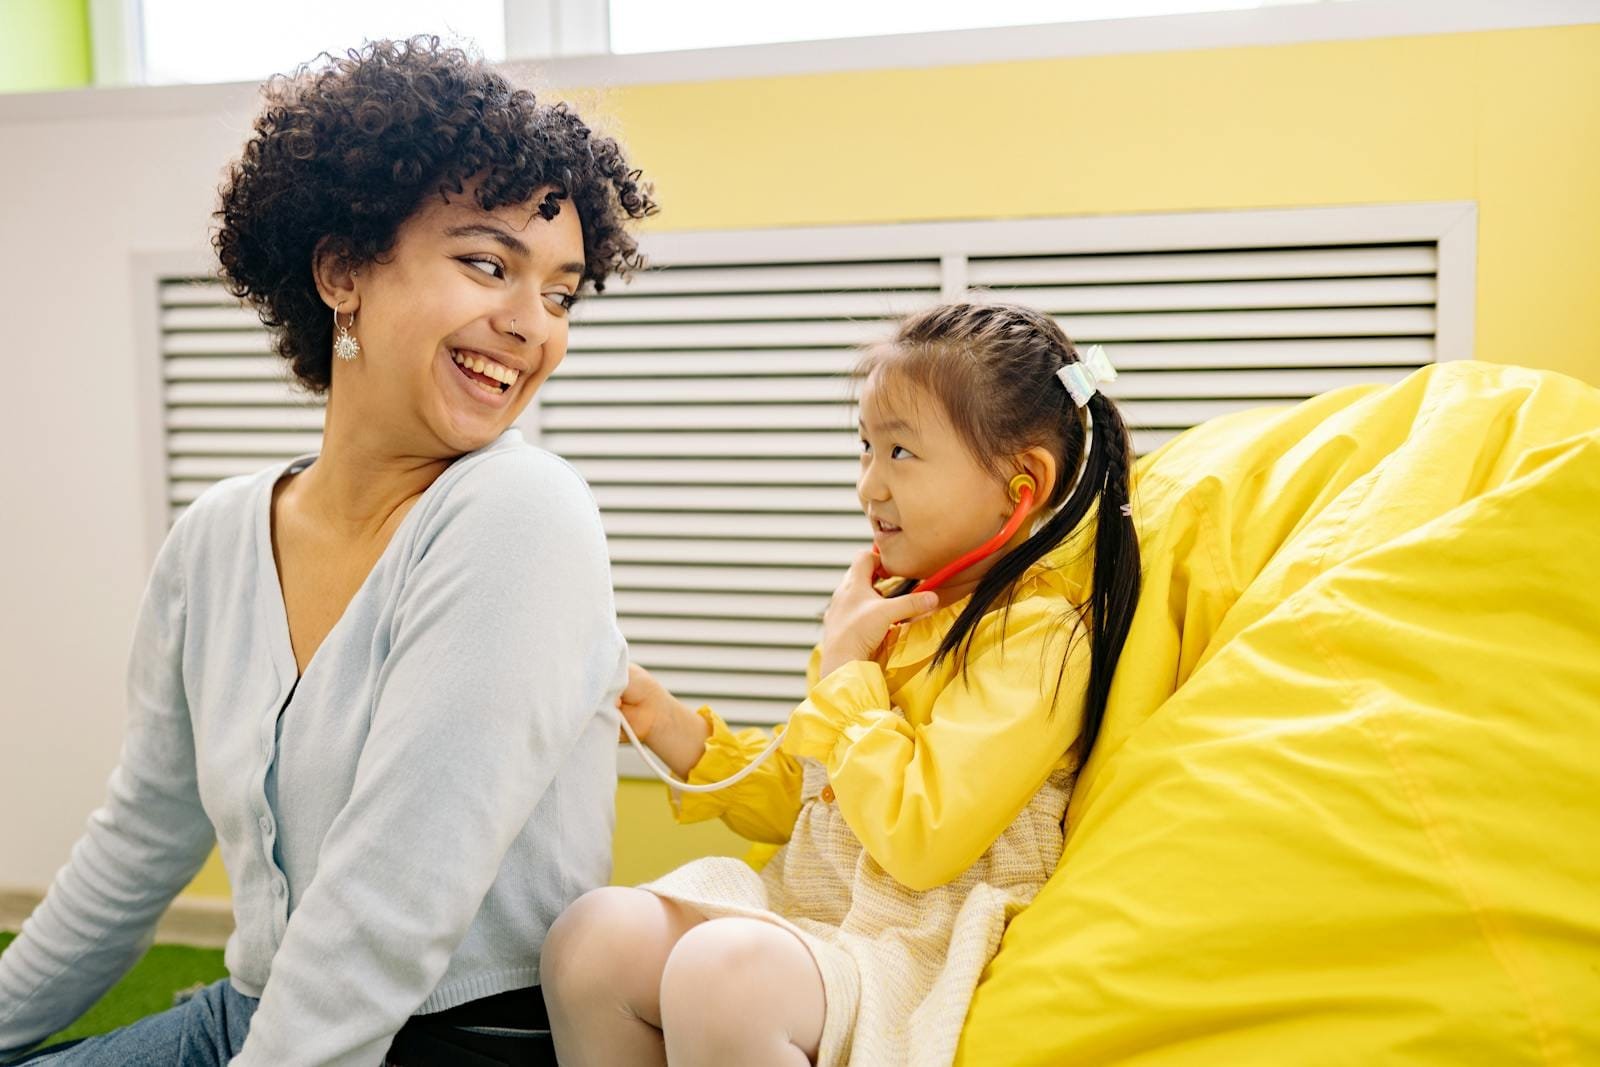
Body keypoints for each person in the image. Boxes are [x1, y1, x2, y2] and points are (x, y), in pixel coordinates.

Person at [0, 35, 655, 1066]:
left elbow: (385, 911)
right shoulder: (217, 538)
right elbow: (135, 845)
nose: (532, 325)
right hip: (251, 1015)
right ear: (343, 270)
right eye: (487, 263)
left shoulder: (523, 514)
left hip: (447, 1044)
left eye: (563, 292)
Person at [540, 301, 1145, 1066]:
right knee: (588, 940)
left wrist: (849, 673)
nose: (868, 485)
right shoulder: (883, 613)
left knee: (721, 977)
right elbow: (810, 797)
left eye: (901, 453)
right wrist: (670, 726)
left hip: (918, 937)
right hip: (816, 914)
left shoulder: (1038, 636)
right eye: (866, 446)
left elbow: (921, 837)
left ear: (1021, 484)